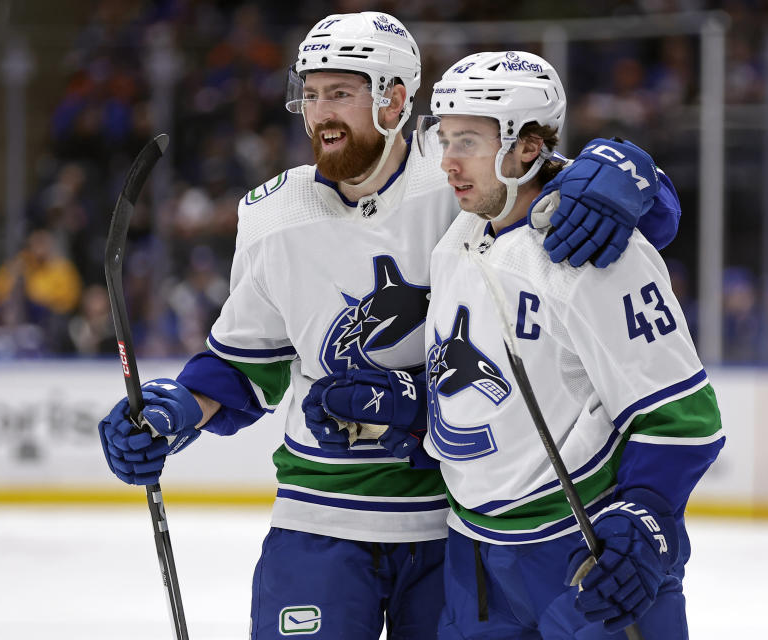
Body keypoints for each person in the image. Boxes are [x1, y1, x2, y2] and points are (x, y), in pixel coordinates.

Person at [97, 13, 681, 640]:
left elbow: (594, 200)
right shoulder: (273, 214)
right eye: (311, 93)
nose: (320, 112)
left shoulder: (460, 177)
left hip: (448, 522)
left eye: (341, 93)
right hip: (321, 515)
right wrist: (181, 407)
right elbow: (250, 356)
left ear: (396, 99)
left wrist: (629, 173)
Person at [310, 51, 724, 639]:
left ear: (527, 147)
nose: (449, 162)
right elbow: (492, 385)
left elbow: (684, 416)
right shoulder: (458, 239)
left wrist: (647, 515)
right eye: (444, 137)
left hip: (583, 551)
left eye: (470, 141)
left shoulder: (593, 253)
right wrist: (401, 408)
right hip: (473, 557)